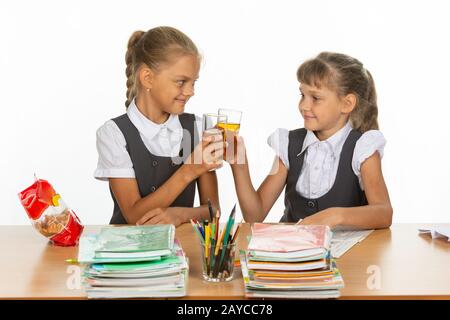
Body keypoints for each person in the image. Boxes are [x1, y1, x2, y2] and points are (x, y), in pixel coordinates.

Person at [227, 52, 393, 229]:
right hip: (291, 252)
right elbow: (255, 215)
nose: (303, 106)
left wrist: (335, 216)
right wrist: (239, 165)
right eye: (302, 95)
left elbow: (383, 212)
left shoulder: (362, 148)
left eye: (315, 98)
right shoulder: (290, 145)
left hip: (346, 254)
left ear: (347, 104)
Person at [94, 26, 223, 226]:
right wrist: (189, 169)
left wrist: (180, 215)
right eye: (181, 82)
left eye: (193, 83)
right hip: (127, 252)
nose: (190, 92)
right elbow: (135, 217)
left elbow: (213, 210)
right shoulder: (114, 134)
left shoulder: (199, 127)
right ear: (148, 78)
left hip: (181, 250)